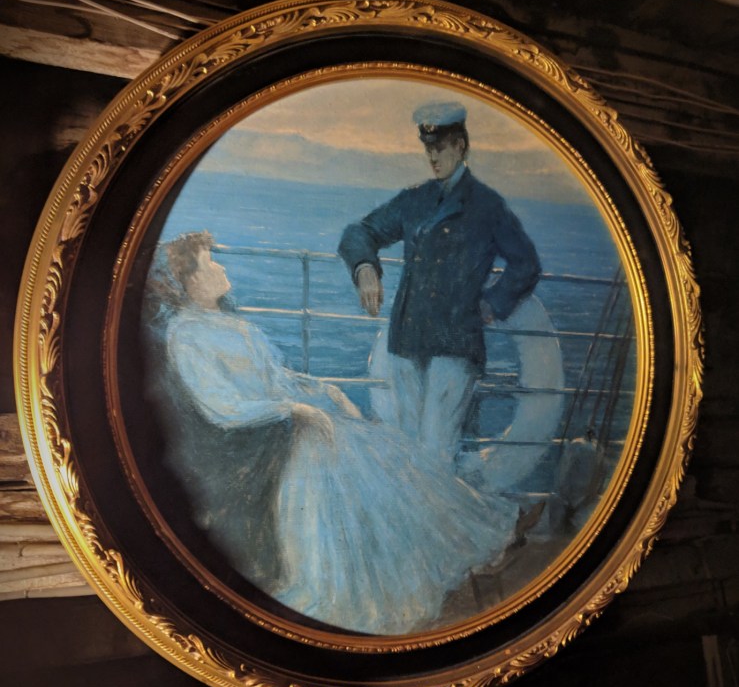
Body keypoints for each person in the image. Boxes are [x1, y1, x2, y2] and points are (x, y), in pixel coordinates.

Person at [142, 231, 519, 635]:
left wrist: (324, 390)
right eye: (210, 262)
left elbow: (277, 379)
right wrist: (296, 409)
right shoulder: (187, 334)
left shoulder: (228, 322)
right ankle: (424, 561)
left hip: (289, 420)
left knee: (385, 453)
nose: (220, 267)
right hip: (265, 435)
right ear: (190, 281)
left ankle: (453, 544)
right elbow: (222, 404)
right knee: (356, 456)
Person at [339, 102, 541, 468]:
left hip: (454, 343)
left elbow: (526, 263)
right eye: (428, 148)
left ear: (460, 146)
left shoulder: (487, 206)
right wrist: (365, 267)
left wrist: (493, 303)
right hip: (408, 339)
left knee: (435, 455)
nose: (432, 157)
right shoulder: (414, 200)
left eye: (440, 148)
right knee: (406, 449)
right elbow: (358, 232)